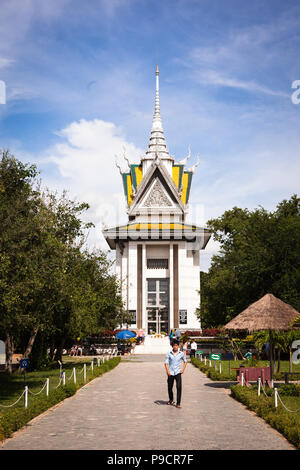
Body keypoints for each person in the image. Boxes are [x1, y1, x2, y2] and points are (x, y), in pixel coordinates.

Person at [164, 339, 187, 408]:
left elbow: (185, 361)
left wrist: (183, 369)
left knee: (179, 387)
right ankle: (171, 399)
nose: (175, 347)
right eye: (174, 345)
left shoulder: (181, 354)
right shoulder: (169, 353)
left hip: (178, 372)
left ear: (178, 346)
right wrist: (167, 371)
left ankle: (178, 403)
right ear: (172, 346)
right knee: (169, 387)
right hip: (170, 373)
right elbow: (166, 363)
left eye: (176, 345)